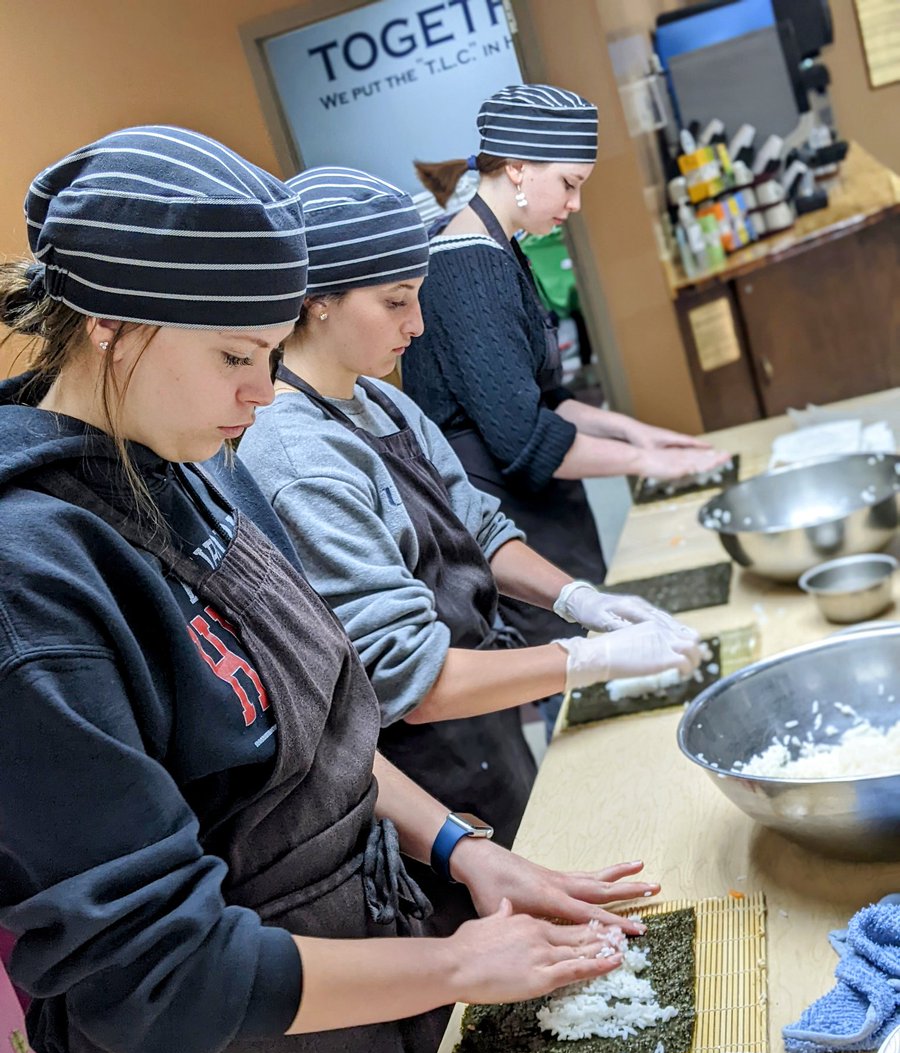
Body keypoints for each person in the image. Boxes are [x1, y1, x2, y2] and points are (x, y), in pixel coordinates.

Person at [0, 127, 661, 1053]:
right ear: (111, 327)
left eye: (268, 355)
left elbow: (324, 735)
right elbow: (162, 971)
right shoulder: (31, 583)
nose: (262, 396)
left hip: (371, 963)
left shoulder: (182, 462)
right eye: (232, 357)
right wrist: (457, 965)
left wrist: (459, 850)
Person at [239, 166, 701, 929]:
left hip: (485, 731)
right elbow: (414, 683)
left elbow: (479, 529)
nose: (416, 325)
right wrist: (591, 661)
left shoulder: (378, 396)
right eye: (394, 302)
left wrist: (577, 600)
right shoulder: (295, 455)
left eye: (416, 295)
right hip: (423, 782)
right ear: (315, 300)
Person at [404, 83, 731, 650]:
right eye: (569, 184)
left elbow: (548, 398)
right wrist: (645, 462)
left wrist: (644, 436)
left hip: (545, 507)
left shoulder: (500, 248)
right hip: (507, 520)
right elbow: (525, 439)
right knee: (572, 666)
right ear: (518, 168)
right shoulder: (467, 269)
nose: (575, 205)